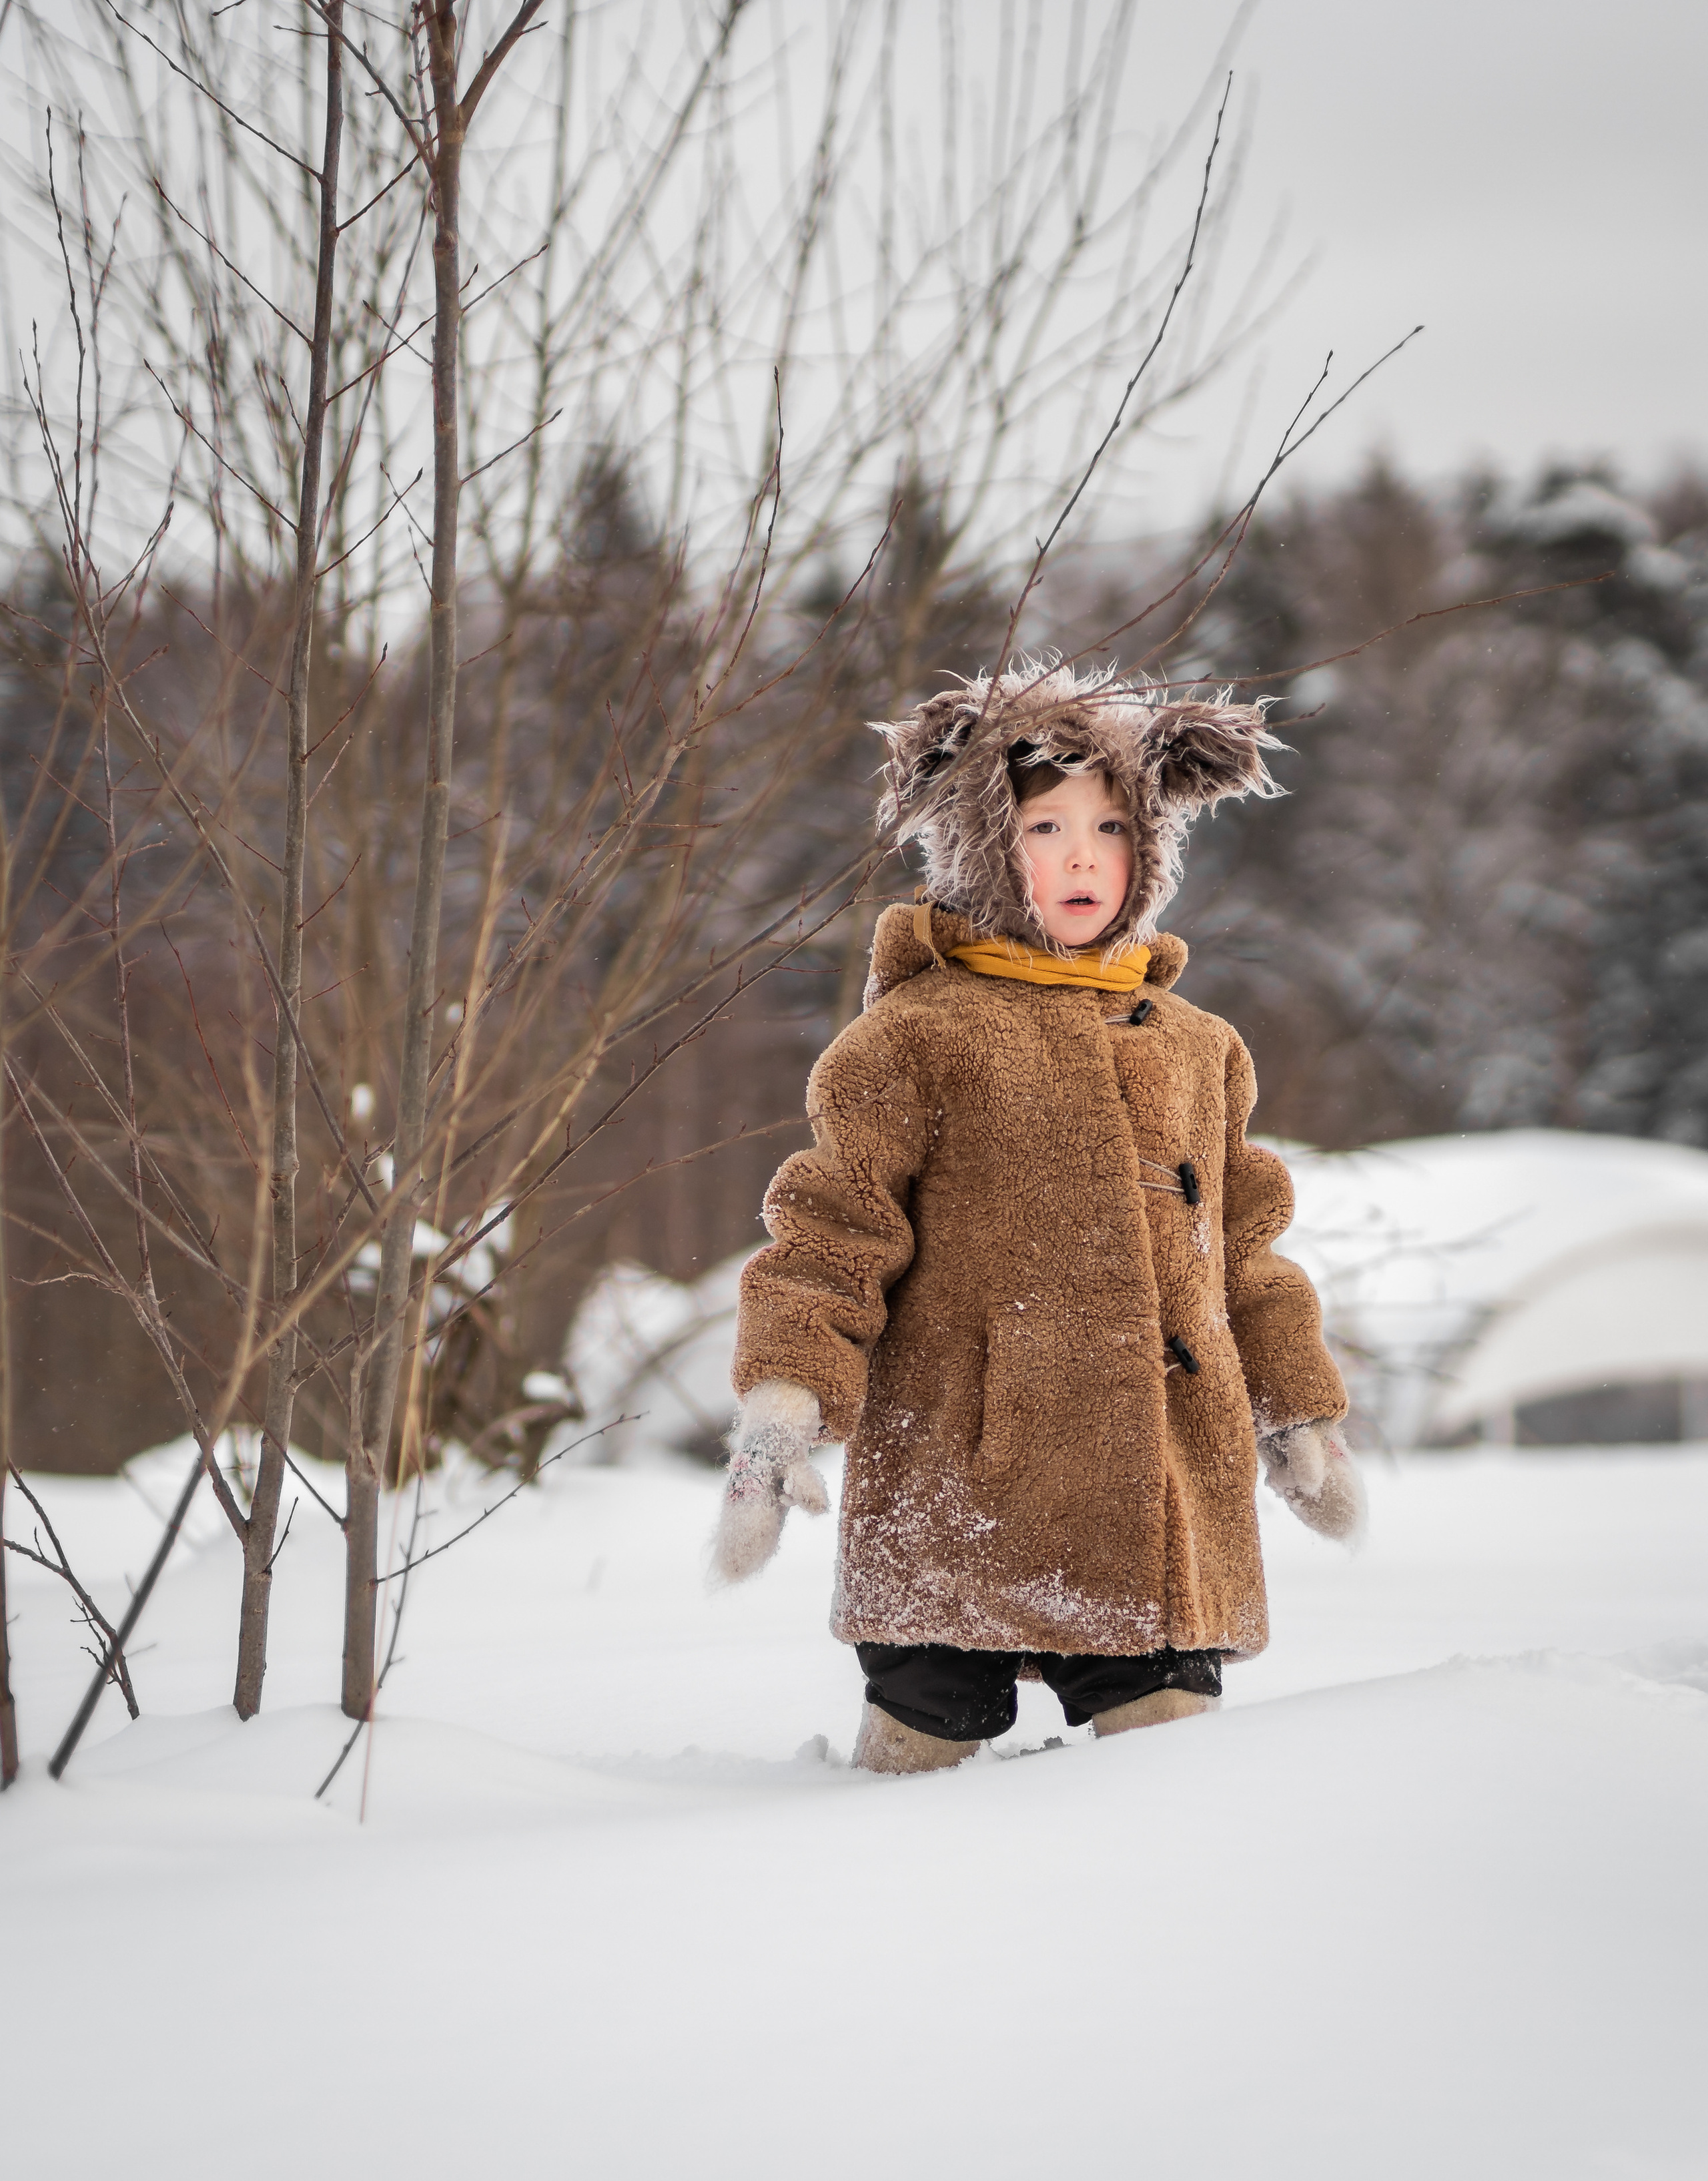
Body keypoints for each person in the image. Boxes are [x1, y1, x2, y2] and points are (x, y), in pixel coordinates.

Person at [712, 659, 1364, 1773]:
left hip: (1160, 1486)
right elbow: (832, 1233)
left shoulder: (1198, 1046)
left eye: (1112, 828)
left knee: (1168, 1766)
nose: (1079, 856)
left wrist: (1297, 1408)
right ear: (979, 842)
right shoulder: (919, 1035)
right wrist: (784, 1403)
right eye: (1044, 824)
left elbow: (1244, 1249)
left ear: (1149, 851)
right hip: (962, 1475)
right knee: (921, 1760)